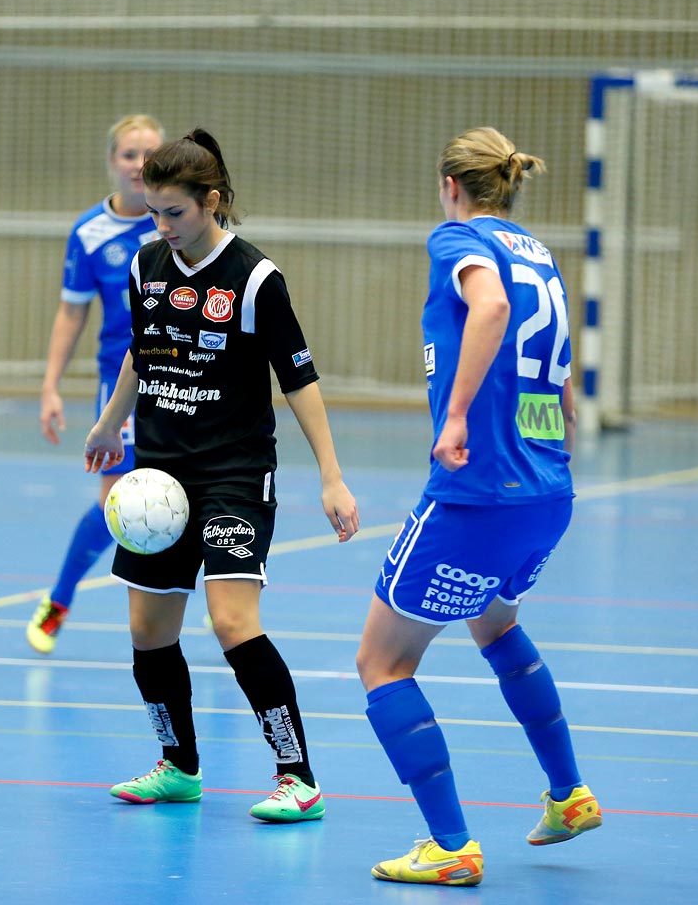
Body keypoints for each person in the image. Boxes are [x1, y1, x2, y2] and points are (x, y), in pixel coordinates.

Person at [84, 128, 360, 822]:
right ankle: (179, 767)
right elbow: (140, 355)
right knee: (148, 632)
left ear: (211, 203)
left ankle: (298, 777)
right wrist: (110, 423)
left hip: (235, 472)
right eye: (154, 213)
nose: (162, 226)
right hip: (160, 476)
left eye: (174, 212)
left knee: (231, 621)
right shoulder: (147, 265)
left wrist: (331, 476)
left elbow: (300, 381)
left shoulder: (256, 278)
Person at [354, 128, 601, 887]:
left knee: (382, 662)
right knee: (495, 624)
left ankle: (451, 843)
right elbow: (558, 372)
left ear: (451, 185)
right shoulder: (540, 252)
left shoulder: (457, 238)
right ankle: (570, 794)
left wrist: (457, 415)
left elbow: (488, 306)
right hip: (544, 488)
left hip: (478, 492)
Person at [30, 114, 165, 654]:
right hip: (121, 381)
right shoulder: (90, 232)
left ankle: (199, 600)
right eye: (129, 154)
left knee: (194, 494)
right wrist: (50, 386)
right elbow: (71, 313)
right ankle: (59, 600)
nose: (139, 165)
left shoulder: (177, 221)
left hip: (185, 375)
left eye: (150, 155)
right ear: (113, 161)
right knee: (118, 506)